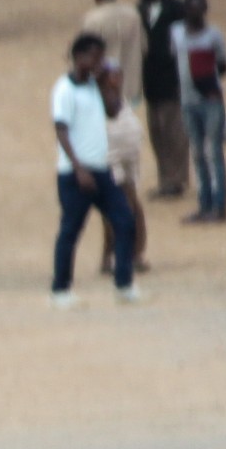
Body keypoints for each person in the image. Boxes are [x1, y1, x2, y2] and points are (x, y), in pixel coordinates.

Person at [50, 32, 139, 307]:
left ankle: (123, 285)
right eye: (95, 57)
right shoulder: (64, 89)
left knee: (124, 221)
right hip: (75, 172)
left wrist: (106, 84)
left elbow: (114, 111)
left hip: (101, 170)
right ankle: (60, 289)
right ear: (79, 57)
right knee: (71, 230)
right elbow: (61, 130)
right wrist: (78, 168)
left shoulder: (93, 86)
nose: (100, 62)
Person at [173, 0, 226, 223]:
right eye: (191, 8)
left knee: (213, 152)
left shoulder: (214, 35)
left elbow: (223, 66)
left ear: (205, 10)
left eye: (199, 8)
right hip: (188, 101)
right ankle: (204, 204)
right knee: (197, 153)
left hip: (210, 100)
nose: (196, 13)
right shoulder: (176, 34)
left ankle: (218, 207)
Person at [135, 0, 189, 200]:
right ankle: (165, 177)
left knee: (174, 131)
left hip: (172, 79)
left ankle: (176, 179)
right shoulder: (140, 10)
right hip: (151, 80)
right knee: (157, 131)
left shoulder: (177, 9)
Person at [98, 62, 148, 274]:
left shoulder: (121, 98)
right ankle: (122, 255)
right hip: (111, 164)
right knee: (122, 211)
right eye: (113, 76)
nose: (118, 80)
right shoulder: (105, 99)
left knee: (129, 208)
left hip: (127, 164)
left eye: (119, 75)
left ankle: (124, 255)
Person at [82, 0, 144, 106]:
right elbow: (145, 47)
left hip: (103, 91)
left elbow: (85, 55)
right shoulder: (133, 15)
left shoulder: (92, 19)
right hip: (130, 89)